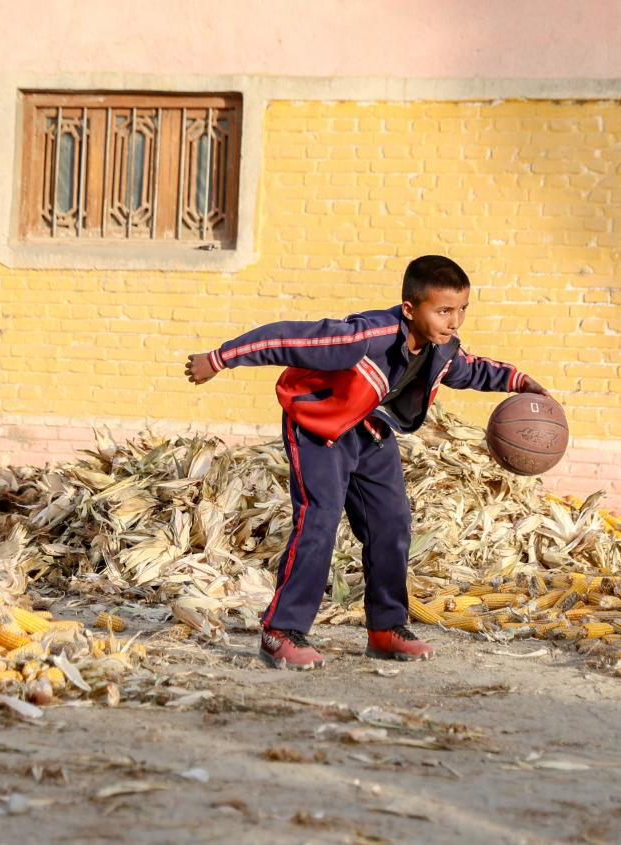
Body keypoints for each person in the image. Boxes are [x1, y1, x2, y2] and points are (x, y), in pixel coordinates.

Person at [184, 255, 549, 670]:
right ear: (410, 309)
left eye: (462, 309)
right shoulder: (362, 337)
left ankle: (386, 629)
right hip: (319, 431)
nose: (455, 321)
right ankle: (280, 631)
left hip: (370, 431)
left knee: (392, 524)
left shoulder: (442, 348)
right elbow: (287, 339)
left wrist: (518, 380)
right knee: (319, 521)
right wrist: (218, 358)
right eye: (444, 310)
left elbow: (470, 370)